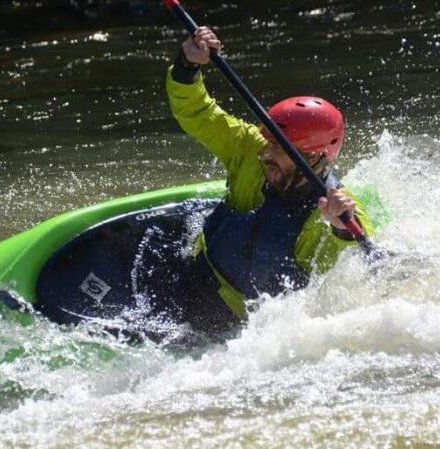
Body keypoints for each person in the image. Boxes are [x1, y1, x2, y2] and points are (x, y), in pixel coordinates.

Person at [156, 27, 376, 340]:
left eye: (278, 147)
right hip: (197, 273)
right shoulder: (251, 146)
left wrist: (342, 229)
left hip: (242, 326)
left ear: (312, 157)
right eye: (267, 140)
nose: (264, 152)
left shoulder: (329, 211)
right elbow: (197, 112)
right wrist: (187, 65)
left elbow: (347, 266)